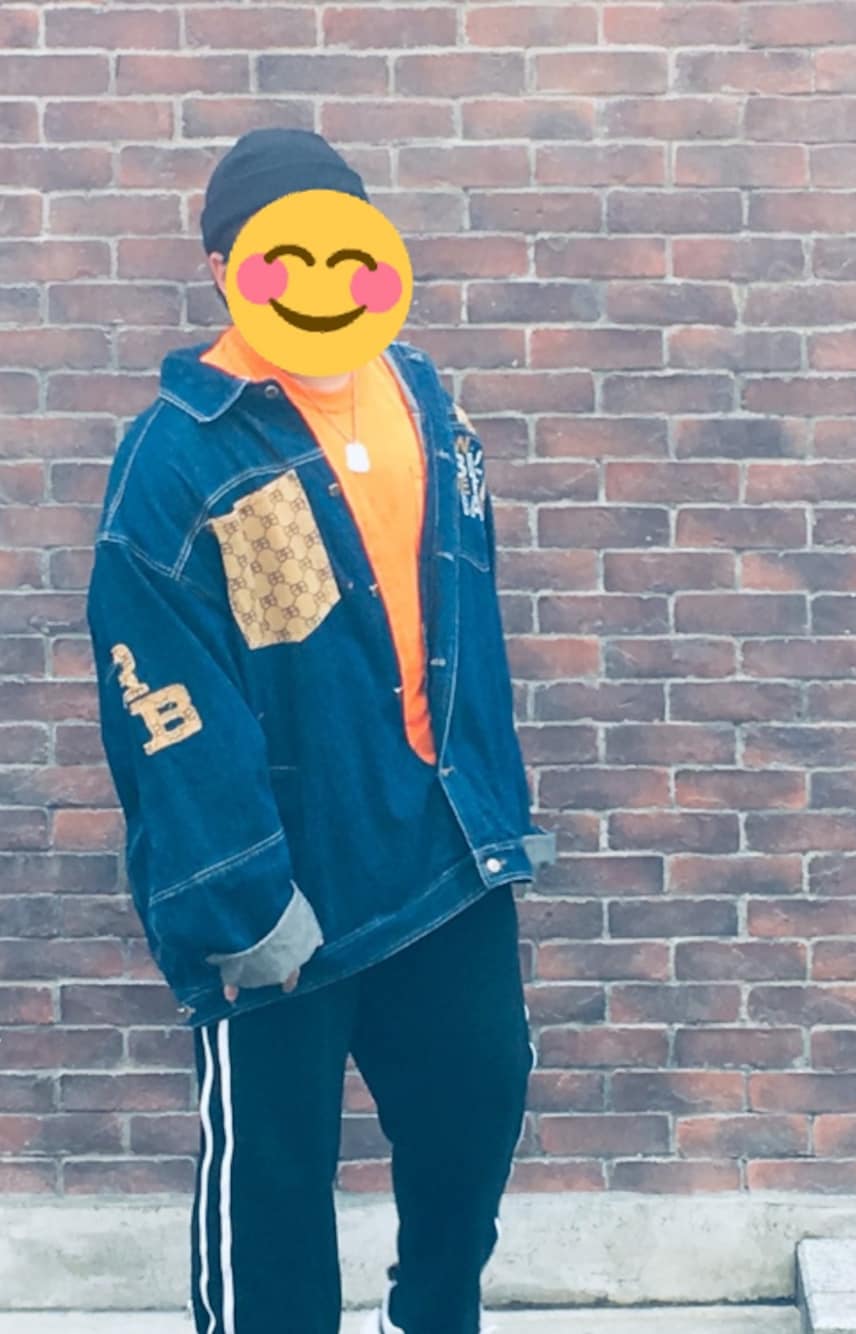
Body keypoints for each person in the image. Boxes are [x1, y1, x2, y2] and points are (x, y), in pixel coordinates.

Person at [85, 127, 556, 1334]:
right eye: (279, 251)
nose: (319, 278)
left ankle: (427, 1316)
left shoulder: (423, 394)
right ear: (222, 268)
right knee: (273, 1195)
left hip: (442, 853)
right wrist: (236, 898)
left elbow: (458, 619)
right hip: (282, 883)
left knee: (478, 1099)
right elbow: (162, 693)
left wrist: (492, 802)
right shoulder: (179, 451)